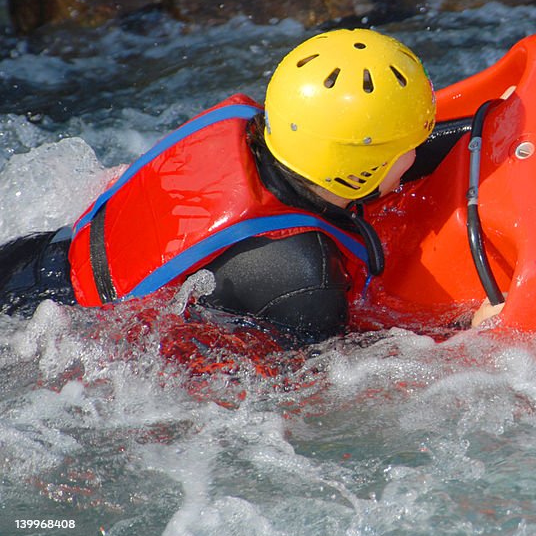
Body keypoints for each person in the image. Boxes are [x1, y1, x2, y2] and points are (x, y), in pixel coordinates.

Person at [0, 28, 439, 346]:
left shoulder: (246, 132)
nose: (417, 154)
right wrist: (465, 335)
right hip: (45, 340)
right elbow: (332, 387)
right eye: (409, 146)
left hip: (28, 262)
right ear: (362, 167)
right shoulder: (305, 281)